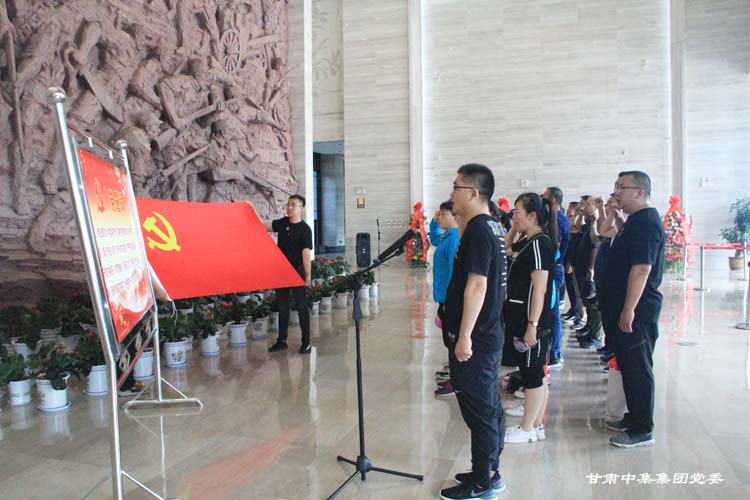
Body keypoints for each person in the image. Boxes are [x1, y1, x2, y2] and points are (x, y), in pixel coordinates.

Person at [440, 164, 507, 500]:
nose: (452, 194)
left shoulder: (480, 230)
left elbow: (478, 285)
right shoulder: (491, 225)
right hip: (488, 332)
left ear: (473, 193)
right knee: (489, 405)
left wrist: (464, 335)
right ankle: (489, 470)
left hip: (477, 337)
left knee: (480, 410)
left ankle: (482, 483)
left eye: (456, 187)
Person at [600, 171, 664, 448]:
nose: (616, 192)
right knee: (627, 364)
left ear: (639, 192)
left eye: (621, 187)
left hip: (638, 310)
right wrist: (615, 217)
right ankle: (633, 416)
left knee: (638, 367)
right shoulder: (635, 220)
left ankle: (642, 429)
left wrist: (629, 310)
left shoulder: (647, 222)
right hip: (623, 307)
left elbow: (641, 269)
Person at [502, 193, 558, 444]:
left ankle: (527, 429)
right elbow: (506, 249)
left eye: (517, 212)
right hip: (522, 319)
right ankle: (536, 425)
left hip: (532, 322)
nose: (513, 215)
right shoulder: (528, 241)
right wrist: (514, 228)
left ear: (532, 215)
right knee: (534, 372)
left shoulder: (539, 244)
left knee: (533, 374)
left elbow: (540, 288)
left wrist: (532, 325)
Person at [256, 195, 313, 354]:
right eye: (288, 205)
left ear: (301, 208)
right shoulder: (282, 223)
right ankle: (281, 341)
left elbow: (306, 253)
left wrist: (308, 275)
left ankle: (306, 342)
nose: (289, 207)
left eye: (293, 205)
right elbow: (262, 226)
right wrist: (250, 209)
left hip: (298, 271)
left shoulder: (305, 229)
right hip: (281, 271)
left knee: (301, 307)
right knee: (283, 307)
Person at [430, 200, 460, 397]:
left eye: (443, 214)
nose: (440, 217)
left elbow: (452, 273)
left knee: (452, 340)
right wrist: (434, 222)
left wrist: (450, 300)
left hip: (449, 297)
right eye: (439, 214)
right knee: (448, 340)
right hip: (443, 296)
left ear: (455, 216)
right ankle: (454, 376)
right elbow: (434, 239)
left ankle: (457, 381)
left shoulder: (454, 239)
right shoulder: (447, 236)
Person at [543, 187, 569, 368]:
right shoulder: (556, 220)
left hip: (555, 267)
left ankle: (554, 353)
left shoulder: (557, 221)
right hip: (555, 265)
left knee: (553, 315)